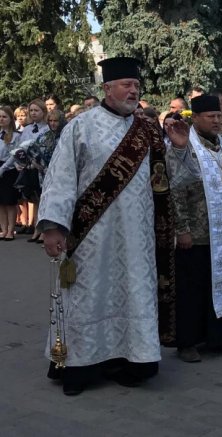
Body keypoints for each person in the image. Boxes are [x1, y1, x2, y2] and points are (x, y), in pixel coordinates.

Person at [37, 56, 176, 395]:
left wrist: (182, 151)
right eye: (127, 84)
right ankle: (81, 368)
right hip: (91, 238)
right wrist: (54, 225)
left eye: (137, 85)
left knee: (133, 295)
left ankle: (133, 361)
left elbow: (170, 183)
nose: (133, 90)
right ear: (107, 88)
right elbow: (61, 179)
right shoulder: (80, 127)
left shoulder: (148, 131)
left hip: (137, 239)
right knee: (87, 297)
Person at [166, 94, 222, 362]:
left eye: (218, 116)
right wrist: (183, 228)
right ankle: (188, 342)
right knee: (193, 289)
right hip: (198, 230)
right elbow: (176, 190)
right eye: (210, 117)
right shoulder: (182, 147)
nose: (216, 121)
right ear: (196, 118)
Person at [19, 99, 50, 243]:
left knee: (44, 198)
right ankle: (37, 228)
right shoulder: (26, 129)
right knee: (34, 199)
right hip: (30, 168)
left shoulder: (48, 129)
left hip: (43, 169)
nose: (33, 113)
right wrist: (21, 162)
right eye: (31, 110)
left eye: (36, 110)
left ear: (43, 111)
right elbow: (21, 149)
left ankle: (44, 230)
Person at [0, 106, 21, 240]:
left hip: (9, 169)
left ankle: (10, 230)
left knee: (9, 201)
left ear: (10, 119)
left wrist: (3, 168)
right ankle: (3, 229)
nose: (1, 119)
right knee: (0, 202)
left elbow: (15, 154)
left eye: (4, 116)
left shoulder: (16, 135)